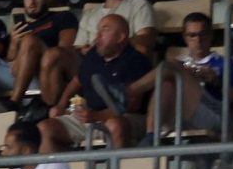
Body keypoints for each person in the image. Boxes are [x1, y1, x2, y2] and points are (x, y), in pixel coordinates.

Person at [39, 0, 156, 107]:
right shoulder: (90, 14)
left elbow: (145, 41)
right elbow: (77, 48)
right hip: (91, 63)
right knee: (52, 55)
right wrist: (87, 49)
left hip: (122, 62)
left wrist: (110, 43)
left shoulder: (138, 5)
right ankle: (50, 109)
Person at [39, 14, 152, 152]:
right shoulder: (94, 55)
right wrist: (61, 105)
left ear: (121, 37)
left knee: (116, 124)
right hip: (89, 116)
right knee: (44, 128)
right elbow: (77, 80)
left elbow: (132, 105)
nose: (97, 36)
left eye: (104, 30)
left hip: (124, 117)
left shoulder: (136, 60)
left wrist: (96, 116)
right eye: (97, 30)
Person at [128, 12, 233, 137]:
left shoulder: (225, 63)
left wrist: (216, 81)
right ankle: (151, 136)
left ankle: (127, 92)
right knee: (167, 84)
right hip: (178, 112)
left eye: (202, 34)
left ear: (210, 35)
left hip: (214, 115)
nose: (198, 40)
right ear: (185, 37)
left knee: (171, 66)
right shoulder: (181, 64)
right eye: (192, 35)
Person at [7, 0, 77, 106]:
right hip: (23, 72)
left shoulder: (62, 17)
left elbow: (65, 48)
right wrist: (14, 44)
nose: (31, 2)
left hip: (51, 65)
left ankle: (14, 102)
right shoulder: (20, 27)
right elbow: (10, 62)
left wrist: (33, 53)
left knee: (29, 41)